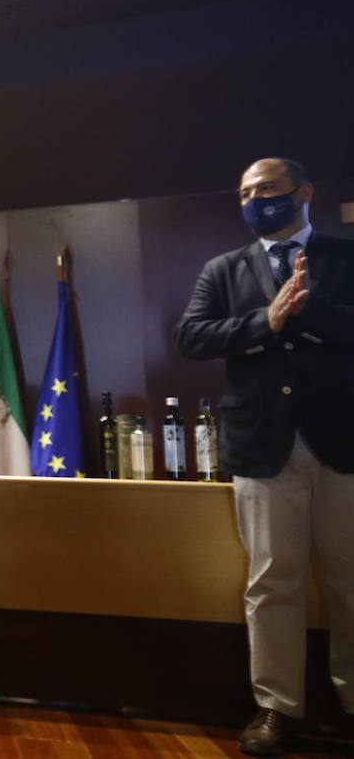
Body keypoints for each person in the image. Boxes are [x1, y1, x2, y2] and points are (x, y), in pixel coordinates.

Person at [174, 157, 354, 758]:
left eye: (268, 188)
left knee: (351, 581)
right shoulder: (223, 269)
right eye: (247, 192)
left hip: (342, 442)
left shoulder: (345, 256)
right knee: (272, 581)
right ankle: (277, 708)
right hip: (262, 447)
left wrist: (312, 313)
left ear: (304, 192)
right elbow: (191, 336)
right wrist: (265, 320)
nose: (256, 199)